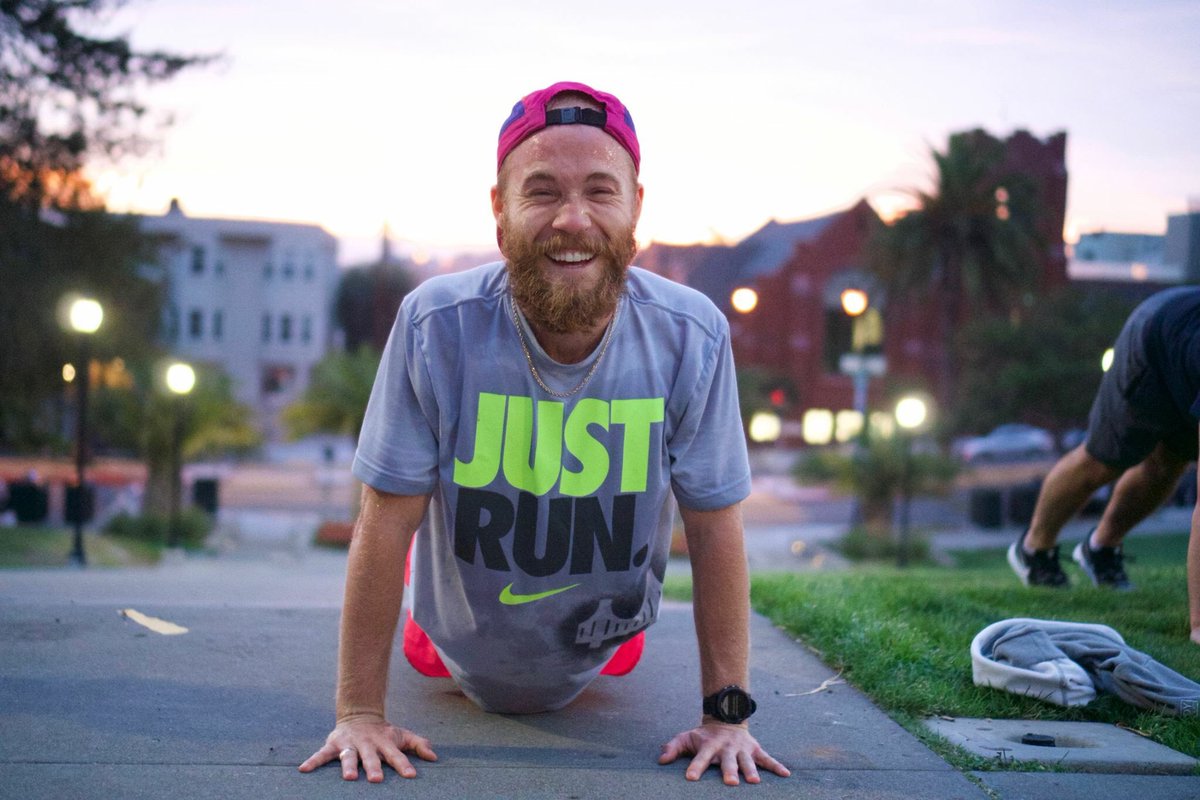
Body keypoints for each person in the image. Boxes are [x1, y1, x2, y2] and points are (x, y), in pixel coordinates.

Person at [299, 81, 791, 786]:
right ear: (499, 212)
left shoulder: (692, 335)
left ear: (636, 208)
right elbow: (383, 521)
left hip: (603, 638)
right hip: (449, 640)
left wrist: (728, 718)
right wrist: (358, 714)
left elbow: (715, 529)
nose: (572, 219)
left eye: (600, 191)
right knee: (424, 577)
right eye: (541, 192)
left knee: (609, 638)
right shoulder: (435, 323)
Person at [1006, 286, 1200, 645]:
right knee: (1103, 461)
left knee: (1167, 465)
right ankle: (1034, 550)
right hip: (1156, 338)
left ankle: (1100, 550)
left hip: (1187, 360)